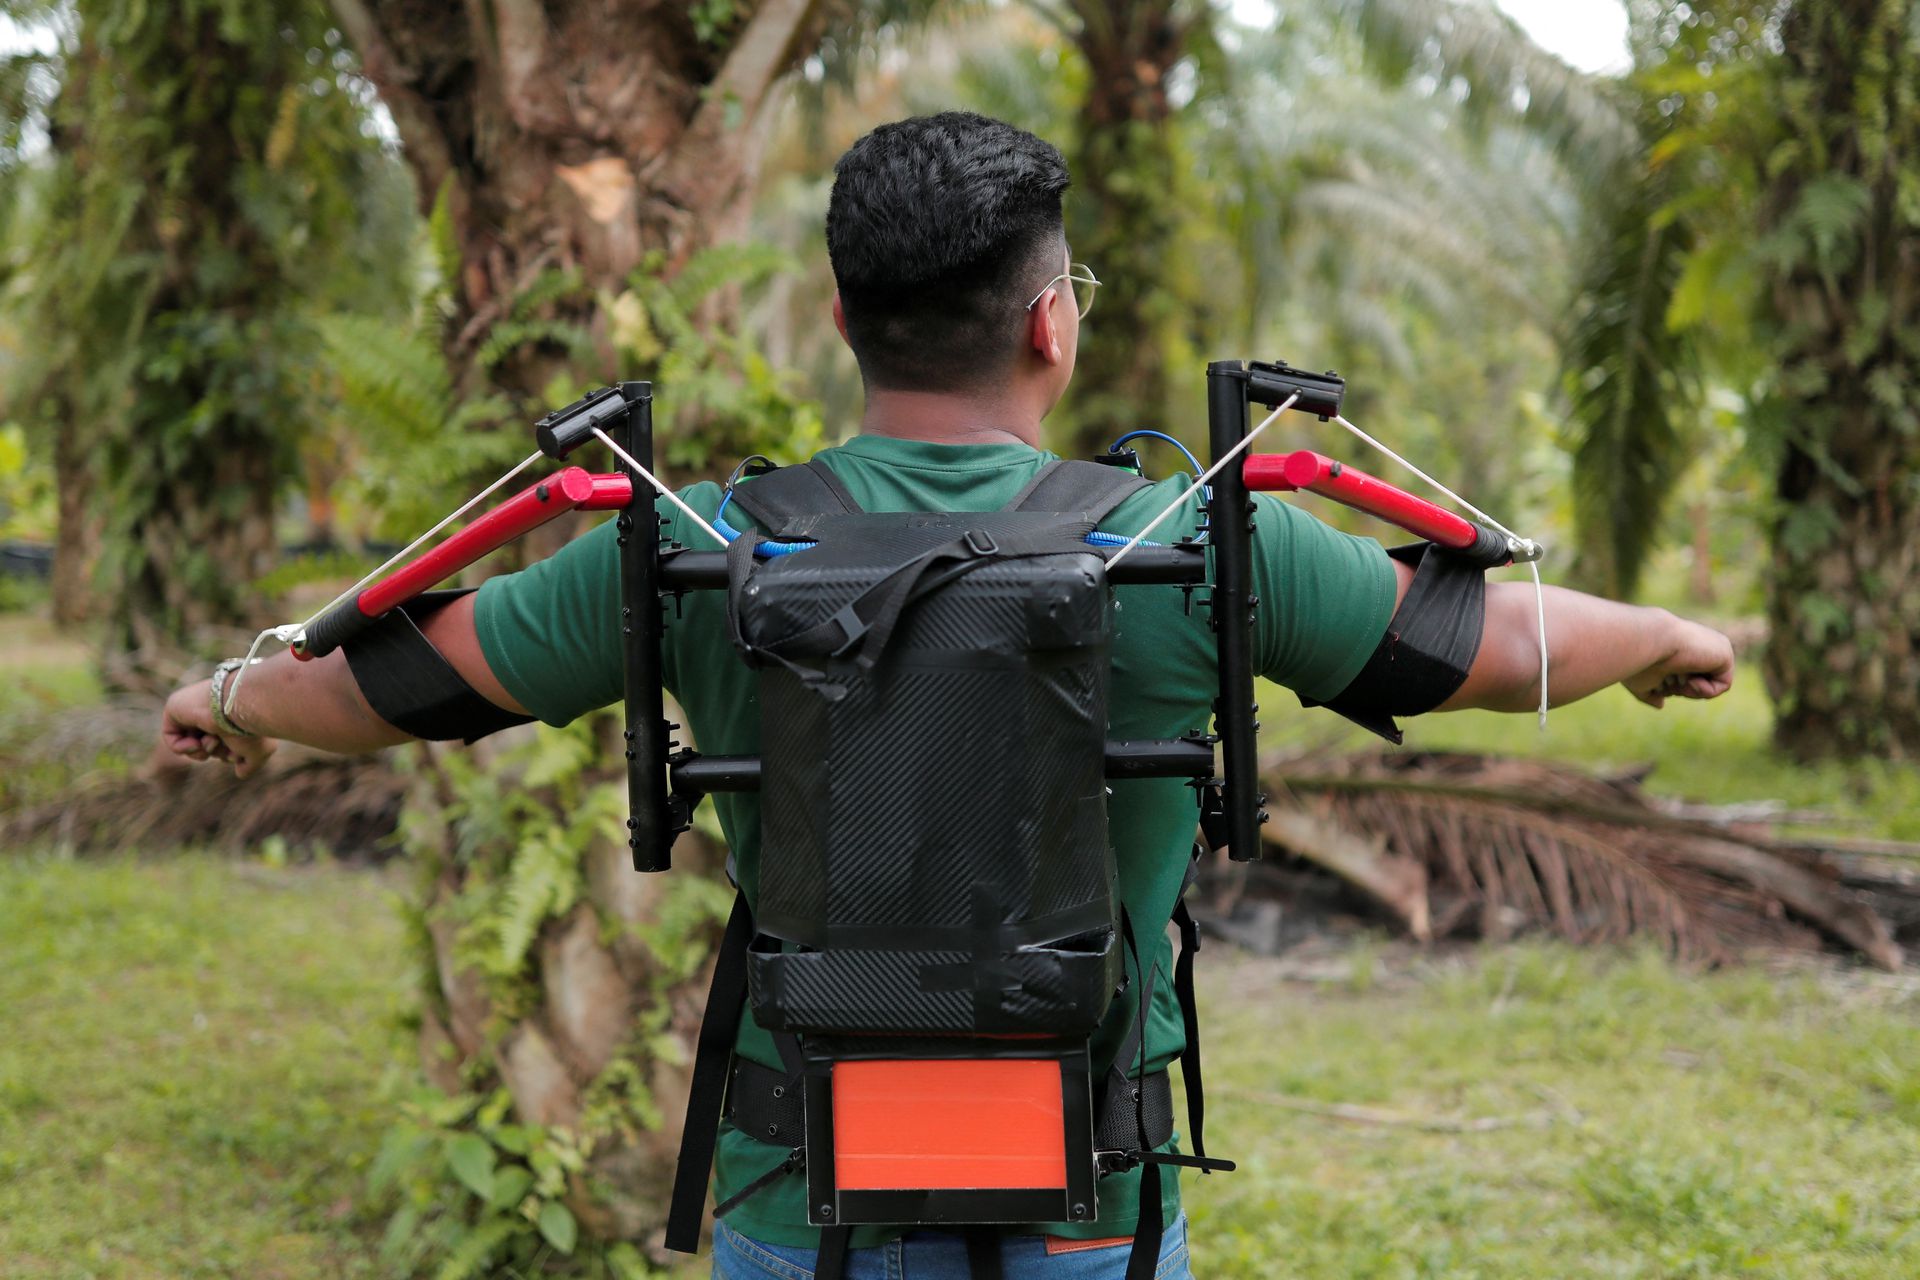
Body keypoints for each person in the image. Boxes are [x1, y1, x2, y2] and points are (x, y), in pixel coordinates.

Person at [160, 112, 1735, 1278]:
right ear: (1053, 322)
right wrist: (1667, 633)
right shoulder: (1187, 543)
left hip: (799, 1208)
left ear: (845, 317)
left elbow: (400, 685)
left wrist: (228, 697)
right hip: (1091, 1223)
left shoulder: (703, 547)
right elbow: (1489, 643)